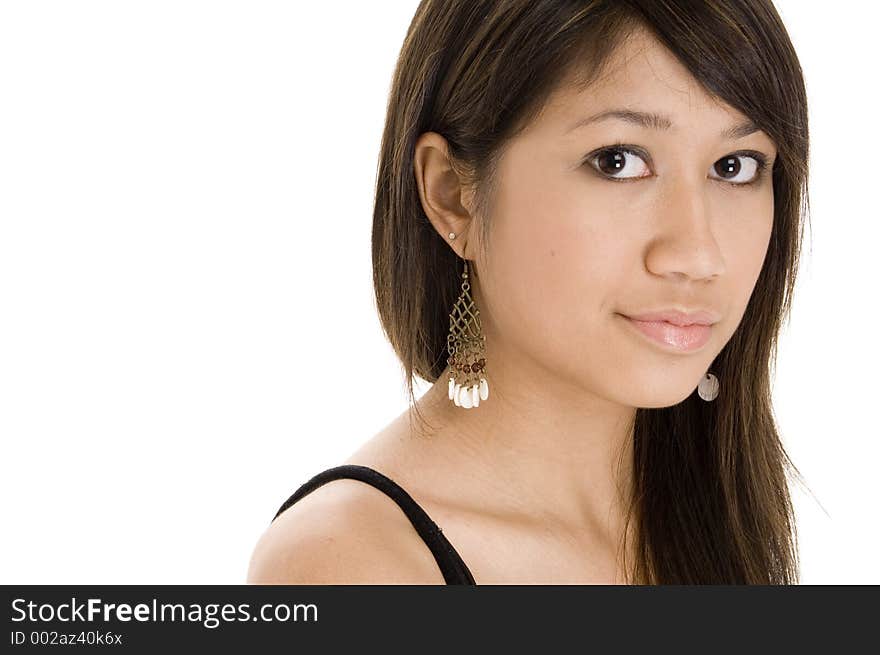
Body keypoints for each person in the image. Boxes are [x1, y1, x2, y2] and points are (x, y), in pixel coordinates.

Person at [248, 0, 809, 585]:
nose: (698, 254)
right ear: (452, 194)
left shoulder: (711, 513)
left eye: (735, 166)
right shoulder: (352, 563)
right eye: (617, 161)